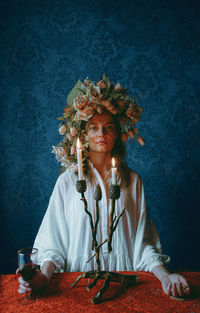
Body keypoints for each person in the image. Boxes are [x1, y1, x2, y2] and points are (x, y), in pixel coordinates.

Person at [17, 75, 190, 298]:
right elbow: (54, 243)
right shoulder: (68, 182)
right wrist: (42, 278)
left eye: (108, 127)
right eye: (93, 128)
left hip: (124, 286)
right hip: (78, 287)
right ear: (83, 134)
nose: (101, 134)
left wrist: (166, 276)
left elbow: (142, 244)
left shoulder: (132, 182)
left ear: (118, 133)